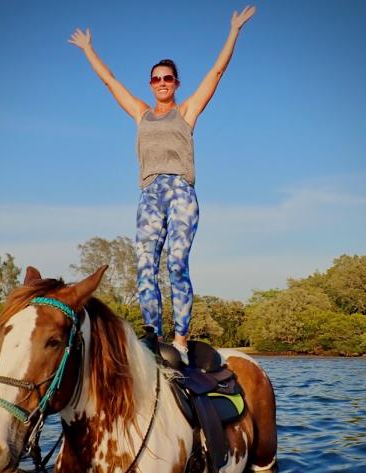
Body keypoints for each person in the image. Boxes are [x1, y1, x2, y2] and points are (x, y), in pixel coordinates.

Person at [69, 6, 256, 363]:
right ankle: (153, 335)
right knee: (144, 263)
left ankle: (182, 339)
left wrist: (233, 31)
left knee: (176, 263)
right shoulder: (140, 113)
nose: (161, 83)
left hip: (181, 191)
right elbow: (109, 81)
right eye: (156, 79)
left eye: (167, 78)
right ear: (150, 84)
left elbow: (216, 73)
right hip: (149, 194)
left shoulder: (186, 112)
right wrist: (88, 49)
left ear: (176, 83)